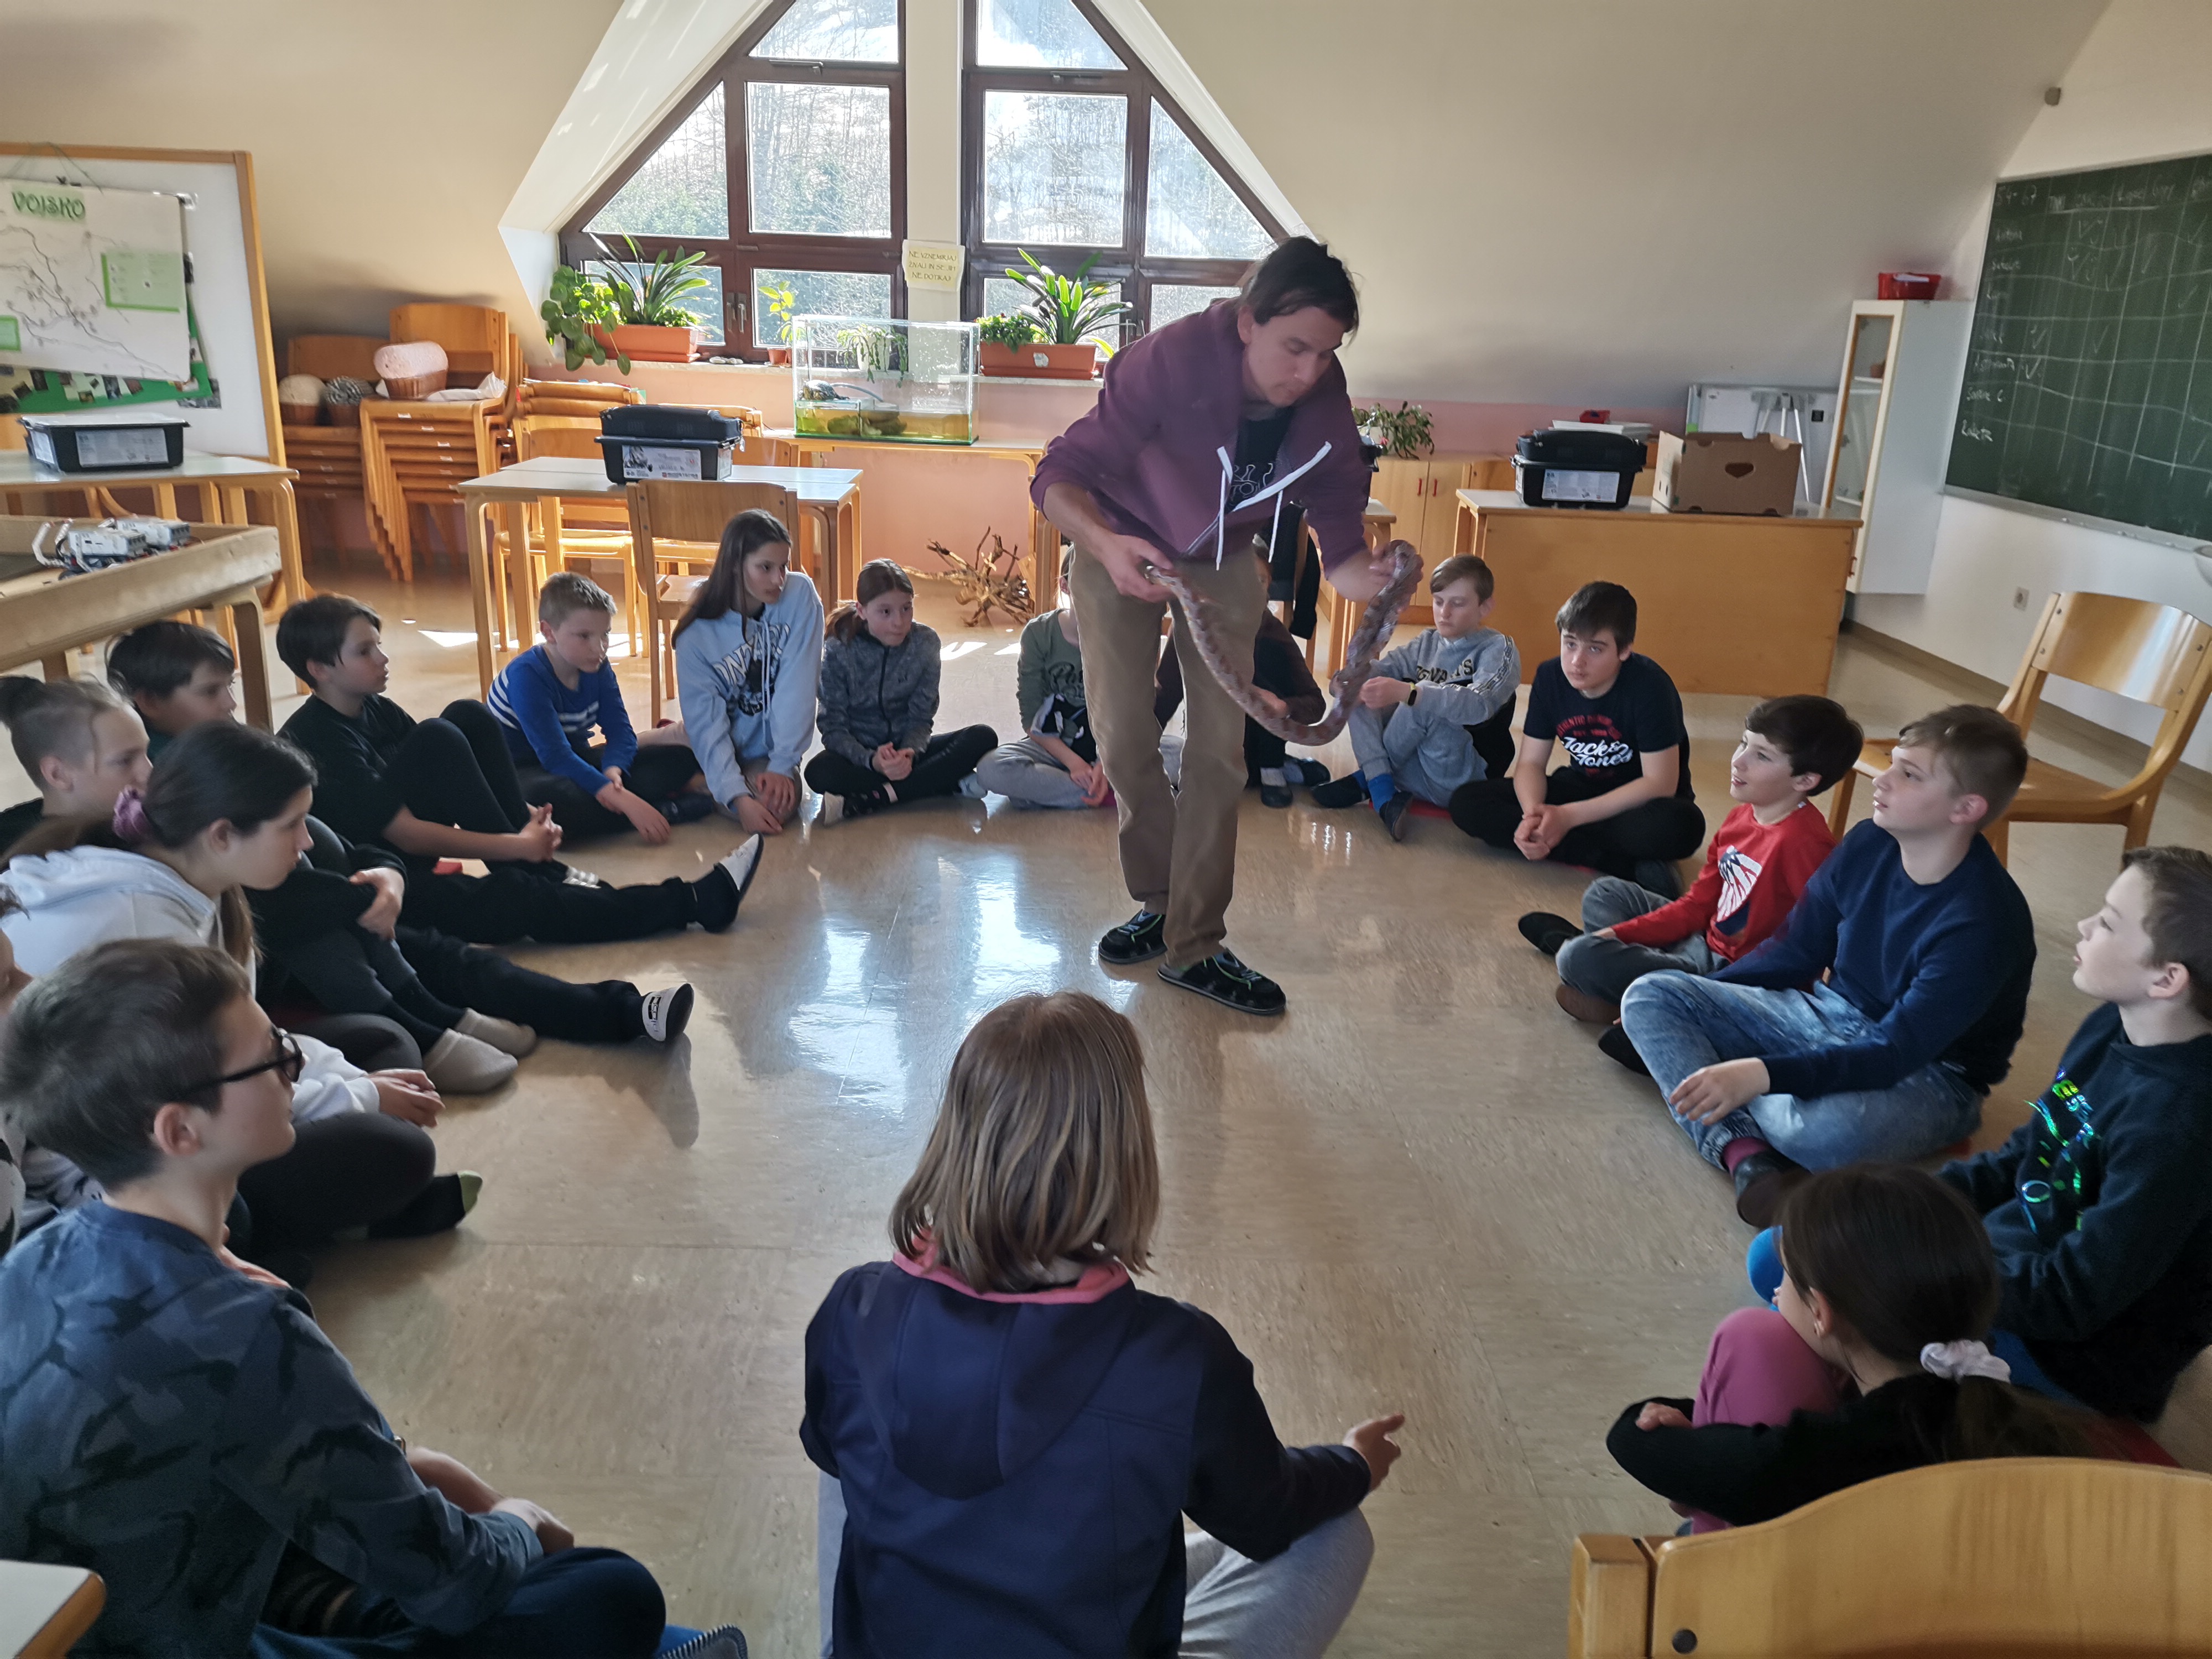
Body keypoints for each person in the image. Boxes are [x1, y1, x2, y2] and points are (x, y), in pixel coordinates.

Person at [0, 937, 678, 1658]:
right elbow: (461, 1584)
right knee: (610, 1590)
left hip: (82, 1614)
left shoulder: (34, 1257)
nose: (294, 1066)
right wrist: (518, 1521)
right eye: (274, 1057)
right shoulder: (245, 1327)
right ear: (180, 1130)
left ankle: (320, 1604)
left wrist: (416, 1468)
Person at [802, 990, 1405, 1658]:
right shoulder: (1181, 1361)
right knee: (1337, 1535)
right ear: (1126, 1152)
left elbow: (835, 1463)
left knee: (847, 1432)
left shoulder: (853, 1308)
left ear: (957, 1136)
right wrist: (1353, 1463)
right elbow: (1269, 1517)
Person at [1035, 236, 1397, 1015]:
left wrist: (1368, 575)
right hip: (1120, 538)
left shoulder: (1321, 393)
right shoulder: (1167, 362)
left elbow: (1339, 511)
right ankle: (1161, 901)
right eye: (1294, 347)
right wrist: (1105, 545)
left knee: (1219, 753)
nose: (1309, 371)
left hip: (1225, 556)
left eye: (1327, 353)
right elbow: (1058, 476)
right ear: (1246, 321)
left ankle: (1195, 944)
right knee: (1123, 739)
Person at [0, 723, 476, 1261]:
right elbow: (194, 1090)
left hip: (187, 1087)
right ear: (222, 835)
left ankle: (320, 1214)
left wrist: (354, 1083)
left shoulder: (196, 881)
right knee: (397, 1149)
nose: (306, 843)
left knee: (384, 1041)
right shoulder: (139, 924)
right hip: (128, 1143)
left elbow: (245, 1037)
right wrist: (359, 1096)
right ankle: (275, 1230)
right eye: (292, 826)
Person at [1618, 705, 2034, 1227]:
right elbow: (1793, 952)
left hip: (1928, 1074)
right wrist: (1705, 1002)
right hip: (1823, 1014)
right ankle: (1745, 1153)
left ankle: (1717, 1079)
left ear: (1966, 808)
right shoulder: (1869, 842)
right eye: (1892, 763)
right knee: (1652, 995)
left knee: (1813, 1131)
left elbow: (1895, 1052)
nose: (1882, 781)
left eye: (1909, 775)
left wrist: (1761, 1072)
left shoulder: (1984, 920)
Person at [1609, 1165, 2093, 1533]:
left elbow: (1636, 1443)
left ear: (1821, 1313)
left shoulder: (1839, 1453)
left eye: (1786, 1280)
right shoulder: (2017, 1412)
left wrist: (1661, 1421)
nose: (1775, 1292)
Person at [275, 593, 758, 945]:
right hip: (385, 880)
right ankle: (688, 900)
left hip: (411, 858)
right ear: (319, 668)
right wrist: (516, 845)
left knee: (466, 715)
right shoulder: (320, 740)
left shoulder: (373, 707)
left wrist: (527, 817)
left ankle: (533, 861)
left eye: (378, 645)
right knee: (520, 898)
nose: (383, 658)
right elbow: (407, 836)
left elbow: (449, 777)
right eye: (365, 651)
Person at [1934, 847, 2212, 1422]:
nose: (2083, 926)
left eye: (2107, 922)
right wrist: (1909, 1204)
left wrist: (1930, 1269)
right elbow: (2029, 1153)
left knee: (1822, 1289)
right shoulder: (2114, 1021)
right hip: (2013, 1267)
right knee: (1793, 1250)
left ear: (2167, 978)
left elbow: (2074, 1297)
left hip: (2077, 1356)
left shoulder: (2179, 1125)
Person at [1522, 695, 1861, 1025]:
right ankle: (1632, 988)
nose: (1738, 761)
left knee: (1577, 958)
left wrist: (1714, 988)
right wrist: (1617, 935)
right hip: (1701, 941)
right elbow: (1698, 906)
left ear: (1805, 780)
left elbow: (1814, 946)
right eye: (1743, 744)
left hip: (1730, 975)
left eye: (1762, 756)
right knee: (1606, 893)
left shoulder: (1806, 845)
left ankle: (1631, 987)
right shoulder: (1742, 816)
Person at [1449, 581, 1704, 894]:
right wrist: (1534, 815)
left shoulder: (1651, 687)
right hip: (1580, 788)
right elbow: (1531, 763)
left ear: (1624, 650)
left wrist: (1568, 817)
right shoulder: (1550, 677)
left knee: (1682, 826)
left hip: (1639, 802)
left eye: (1595, 649)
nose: (1577, 662)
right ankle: (1622, 863)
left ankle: (1570, 842)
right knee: (1467, 802)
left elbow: (1660, 783)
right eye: (1570, 643)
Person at [488, 571, 711, 841]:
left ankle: (632, 809)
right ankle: (665, 810)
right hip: (522, 773)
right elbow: (554, 756)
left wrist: (613, 771)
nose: (600, 648)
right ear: (549, 632)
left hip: (574, 758)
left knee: (679, 758)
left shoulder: (597, 666)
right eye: (584, 636)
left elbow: (621, 732)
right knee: (551, 804)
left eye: (605, 634)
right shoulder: (527, 676)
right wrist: (618, 797)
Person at [1312, 553, 1519, 839]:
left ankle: (1371, 782)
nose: (1445, 613)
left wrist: (1410, 693)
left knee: (1422, 698)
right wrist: (1346, 683)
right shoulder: (1427, 641)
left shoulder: (1498, 648)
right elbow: (1382, 670)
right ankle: (1382, 787)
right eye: (1439, 602)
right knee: (1366, 690)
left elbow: (1480, 705)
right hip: (1409, 771)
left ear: (1485, 607)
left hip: (1459, 778)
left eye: (1458, 603)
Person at [805, 558, 998, 824]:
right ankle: (934, 783)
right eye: (885, 612)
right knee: (818, 773)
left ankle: (879, 797)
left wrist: (909, 752)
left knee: (983, 737)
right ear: (862, 610)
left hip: (909, 752)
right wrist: (872, 760)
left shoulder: (926, 643)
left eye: (907, 608)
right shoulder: (839, 649)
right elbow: (833, 726)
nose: (899, 621)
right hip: (862, 757)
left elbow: (921, 718)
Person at [672, 507, 824, 838]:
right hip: (717, 738)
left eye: (784, 566)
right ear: (734, 565)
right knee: (645, 764)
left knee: (776, 807)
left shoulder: (800, 597)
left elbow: (798, 687)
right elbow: (708, 724)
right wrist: (737, 797)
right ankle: (684, 750)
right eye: (765, 568)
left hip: (764, 755)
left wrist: (782, 764)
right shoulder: (695, 637)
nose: (778, 580)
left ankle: (695, 774)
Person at [1154, 544, 1332, 809]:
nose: (1250, 591)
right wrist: (1138, 745)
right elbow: (1166, 696)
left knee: (1269, 653)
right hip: (1211, 747)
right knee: (1160, 763)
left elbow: (1316, 704)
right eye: (1241, 582)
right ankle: (1284, 770)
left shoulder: (1273, 631)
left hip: (1261, 744)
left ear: (1269, 588)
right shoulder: (1194, 629)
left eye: (1260, 581)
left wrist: (1284, 708)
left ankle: (1272, 768)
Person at [973, 547, 1107, 811]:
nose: (1097, 595)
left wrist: (1106, 763)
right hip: (1054, 748)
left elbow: (1130, 714)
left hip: (1112, 751)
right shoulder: (1039, 634)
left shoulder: (1121, 636)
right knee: (992, 768)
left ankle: (1083, 789)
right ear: (1065, 586)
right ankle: (1107, 793)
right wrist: (1074, 763)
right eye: (1087, 584)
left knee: (1179, 755)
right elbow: (1031, 716)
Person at [0, 677, 151, 853]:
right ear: (58, 774)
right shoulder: (35, 863)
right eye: (125, 761)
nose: (149, 771)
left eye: (146, 753)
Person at [105, 616, 239, 759]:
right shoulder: (162, 767)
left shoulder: (218, 730)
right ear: (151, 703)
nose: (231, 703)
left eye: (230, 684)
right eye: (210, 691)